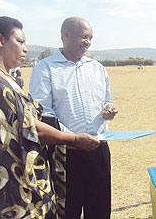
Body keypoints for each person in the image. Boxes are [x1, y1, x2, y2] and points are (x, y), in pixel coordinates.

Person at [0, 16, 100, 218]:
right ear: (0, 40)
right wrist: (74, 139)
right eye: (20, 42)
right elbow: (30, 128)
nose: (26, 49)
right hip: (7, 187)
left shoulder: (5, 78)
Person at [29, 17, 118, 219]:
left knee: (100, 209)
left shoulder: (97, 68)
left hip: (99, 148)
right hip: (65, 152)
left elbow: (106, 101)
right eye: (84, 37)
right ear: (65, 35)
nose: (88, 42)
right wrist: (74, 138)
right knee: (67, 210)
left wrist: (109, 111)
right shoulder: (45, 68)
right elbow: (43, 114)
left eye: (90, 38)